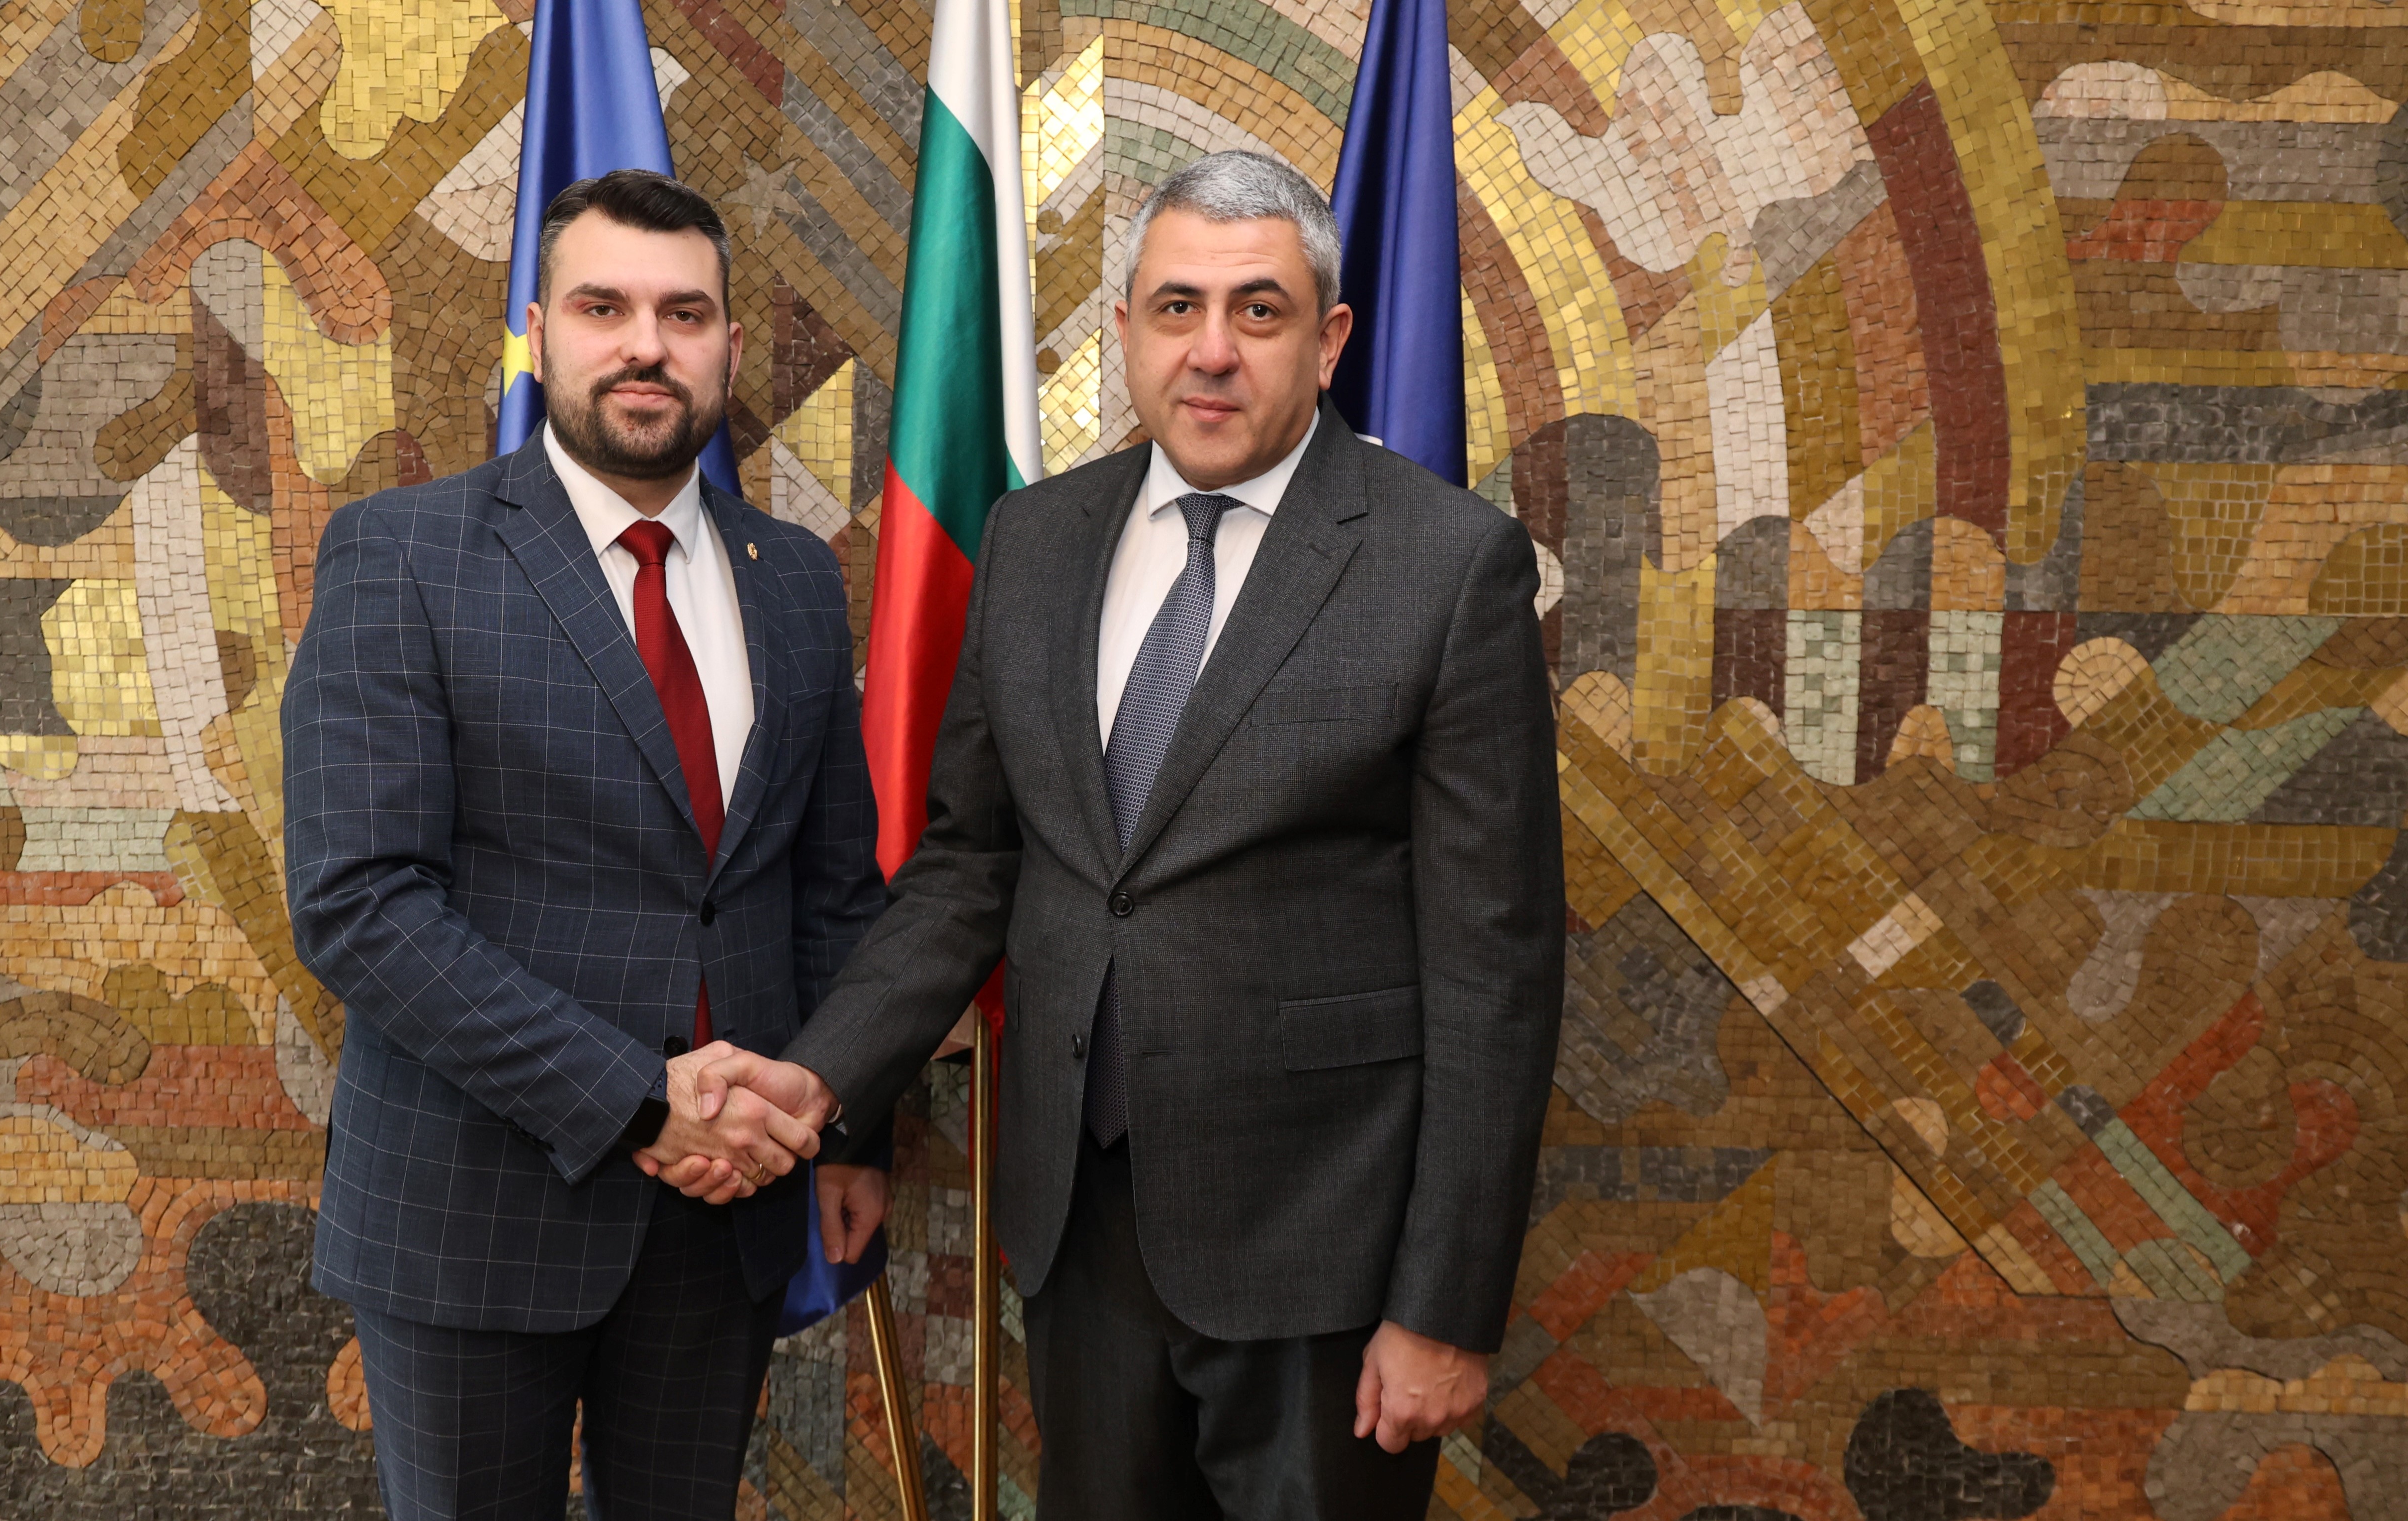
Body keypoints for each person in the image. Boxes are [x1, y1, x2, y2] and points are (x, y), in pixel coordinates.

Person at [678, 149, 1566, 1518]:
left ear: (1330, 340)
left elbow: (1495, 969)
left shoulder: (1446, 566)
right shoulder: (1035, 540)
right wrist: (819, 1078)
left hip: (1324, 1253)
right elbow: (971, 865)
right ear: (1126, 330)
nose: (1212, 351)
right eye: (1176, 308)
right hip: (1080, 1231)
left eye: (1259, 311)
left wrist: (1445, 1307)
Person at [281, 170, 887, 1521]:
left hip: (723, 1219)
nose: (645, 346)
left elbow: (833, 890)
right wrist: (641, 1101)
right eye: (604, 307)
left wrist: (853, 1126)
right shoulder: (402, 555)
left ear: (730, 345)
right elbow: (359, 903)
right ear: (540, 330)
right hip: (473, 1210)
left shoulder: (794, 578)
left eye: (685, 313)